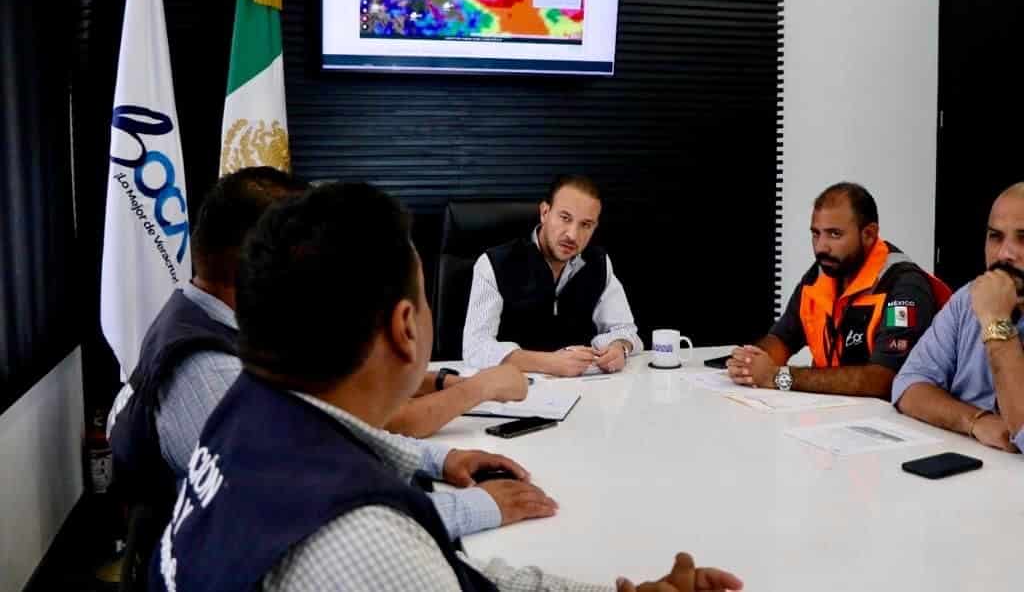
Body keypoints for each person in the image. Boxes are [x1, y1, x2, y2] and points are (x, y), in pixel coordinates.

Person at [153, 182, 742, 592]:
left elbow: (453, 573)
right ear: (407, 328)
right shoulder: (364, 542)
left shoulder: (244, 413)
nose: (574, 232)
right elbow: (402, 563)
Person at [109, 167, 539, 541]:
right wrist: (479, 508)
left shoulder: (215, 317)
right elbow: (309, 515)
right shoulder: (209, 374)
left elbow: (324, 427)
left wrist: (439, 460)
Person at [728, 182, 949, 397]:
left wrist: (779, 377)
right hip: (827, 415)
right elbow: (783, 339)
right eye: (816, 234)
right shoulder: (823, 272)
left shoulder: (905, 287)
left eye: (835, 234)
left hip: (885, 422)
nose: (821, 247)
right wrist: (750, 361)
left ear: (869, 234)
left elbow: (884, 380)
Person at [462, 175, 643, 376]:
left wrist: (620, 347)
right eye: (565, 218)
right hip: (515, 389)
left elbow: (626, 330)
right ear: (545, 212)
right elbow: (475, 348)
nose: (572, 235)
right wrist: (549, 362)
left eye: (586, 225)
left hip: (585, 388)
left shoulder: (598, 262)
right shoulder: (493, 263)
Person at [892, 183, 1024, 453]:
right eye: (995, 237)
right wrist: (975, 420)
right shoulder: (968, 298)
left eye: (1023, 238)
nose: (1004, 254)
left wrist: (996, 321)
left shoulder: (985, 303)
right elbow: (909, 385)